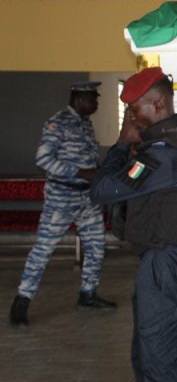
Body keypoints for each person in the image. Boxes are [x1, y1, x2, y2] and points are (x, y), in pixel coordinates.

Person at [90, 67, 177, 382]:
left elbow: (102, 190)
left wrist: (119, 146)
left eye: (134, 110)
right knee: (152, 353)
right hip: (170, 257)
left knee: (159, 357)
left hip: (165, 262)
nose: (131, 119)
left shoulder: (163, 156)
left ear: (157, 104)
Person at [9, 81, 115, 327]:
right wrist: (79, 172)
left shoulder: (86, 124)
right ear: (79, 99)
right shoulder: (57, 123)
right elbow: (43, 159)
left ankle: (88, 294)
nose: (97, 103)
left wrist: (93, 174)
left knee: (97, 247)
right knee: (43, 250)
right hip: (61, 198)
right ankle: (22, 301)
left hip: (87, 199)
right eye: (93, 99)